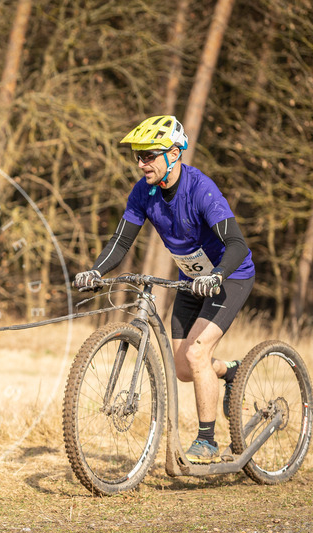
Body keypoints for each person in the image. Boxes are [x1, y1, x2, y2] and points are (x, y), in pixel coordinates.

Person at [74, 115, 255, 464]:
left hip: (229, 276)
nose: (142, 164)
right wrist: (95, 270)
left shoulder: (201, 189)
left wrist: (216, 276)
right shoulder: (144, 191)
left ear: (174, 154)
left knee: (196, 354)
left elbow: (235, 242)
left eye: (149, 155)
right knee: (183, 369)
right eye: (138, 157)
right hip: (190, 278)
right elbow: (120, 240)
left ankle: (207, 442)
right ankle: (231, 371)